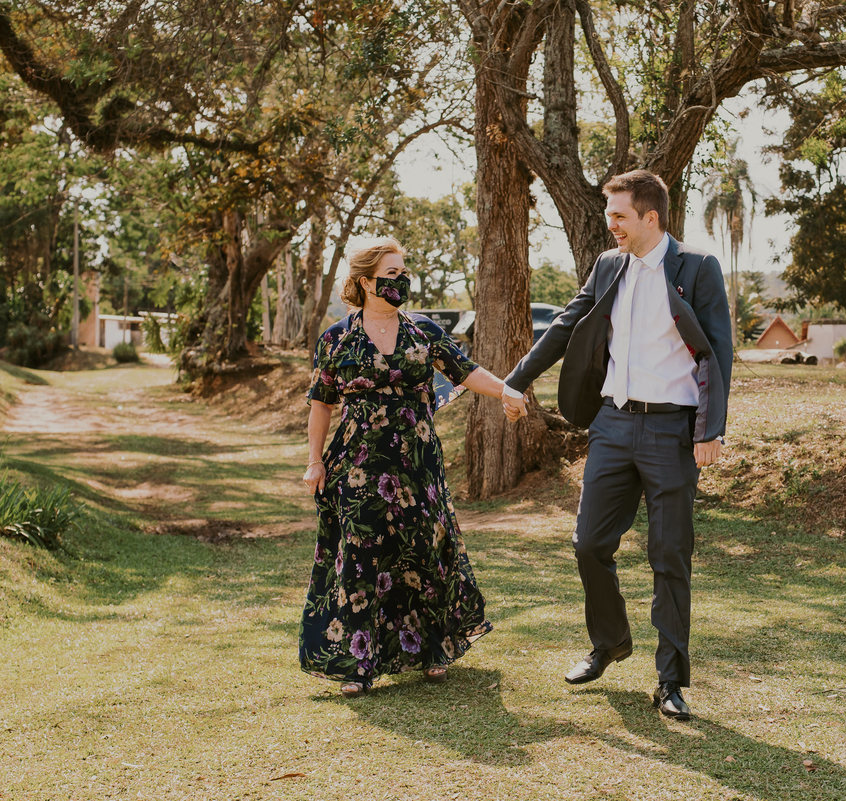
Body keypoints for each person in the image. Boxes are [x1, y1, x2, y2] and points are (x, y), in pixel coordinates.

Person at [501, 170, 733, 720]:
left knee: (669, 556)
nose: (611, 225)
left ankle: (671, 681)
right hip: (611, 426)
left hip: (673, 432)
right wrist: (517, 379)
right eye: (610, 215)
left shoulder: (697, 268)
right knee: (588, 544)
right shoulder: (609, 265)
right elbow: (565, 324)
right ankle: (610, 643)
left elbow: (717, 353)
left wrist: (710, 428)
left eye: (619, 215)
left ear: (650, 217)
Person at [299, 236, 509, 697]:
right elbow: (321, 403)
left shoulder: (424, 331)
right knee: (360, 555)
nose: (401, 280)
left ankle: (433, 649)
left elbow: (464, 370)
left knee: (424, 547)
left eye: (402, 272)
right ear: (364, 281)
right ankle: (355, 663)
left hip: (417, 460)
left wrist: (505, 391)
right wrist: (315, 461)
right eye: (390, 274)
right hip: (356, 463)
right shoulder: (336, 339)